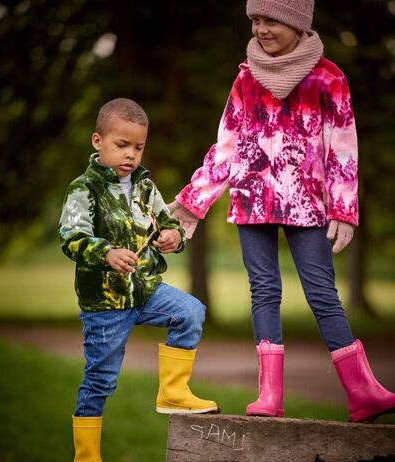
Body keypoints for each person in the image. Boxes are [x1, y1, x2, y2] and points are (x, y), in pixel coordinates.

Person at [169, 0, 395, 424]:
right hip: (252, 198)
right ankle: (269, 394)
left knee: (322, 292)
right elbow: (227, 148)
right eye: (255, 20)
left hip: (307, 202)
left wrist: (343, 208)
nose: (261, 29)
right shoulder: (245, 79)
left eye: (270, 19)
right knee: (264, 291)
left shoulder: (329, 79)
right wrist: (193, 202)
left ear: (296, 22)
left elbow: (343, 150)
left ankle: (362, 391)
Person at [59, 98, 218, 462]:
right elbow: (70, 237)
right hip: (106, 304)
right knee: (100, 379)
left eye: (138, 147)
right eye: (121, 145)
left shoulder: (145, 186)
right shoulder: (85, 189)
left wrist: (173, 236)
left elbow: (170, 223)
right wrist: (106, 252)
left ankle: (173, 392)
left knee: (191, 311)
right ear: (98, 141)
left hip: (146, 291)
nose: (130, 154)